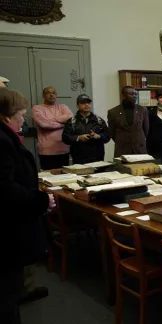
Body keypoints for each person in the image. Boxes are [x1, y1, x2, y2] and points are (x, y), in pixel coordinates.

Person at [0, 88, 55, 324]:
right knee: (5, 297)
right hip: (8, 231)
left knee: (9, 292)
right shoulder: (2, 142)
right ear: (6, 116)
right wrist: (41, 200)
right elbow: (5, 189)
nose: (24, 119)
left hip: (11, 226)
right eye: (21, 115)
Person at [32, 86, 73, 170]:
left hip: (63, 149)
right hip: (47, 152)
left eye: (53, 93)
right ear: (43, 96)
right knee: (49, 179)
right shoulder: (37, 108)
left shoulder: (62, 107)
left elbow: (70, 117)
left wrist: (49, 120)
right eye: (48, 93)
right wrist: (62, 124)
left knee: (65, 177)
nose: (51, 95)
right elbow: (44, 124)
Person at [62, 94, 110, 164]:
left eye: (88, 103)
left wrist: (98, 136)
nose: (86, 105)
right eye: (83, 103)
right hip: (79, 158)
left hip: (97, 158)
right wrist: (78, 137)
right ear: (77, 106)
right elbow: (65, 138)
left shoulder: (99, 120)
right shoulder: (72, 121)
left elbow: (107, 136)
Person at [107, 86, 149, 157]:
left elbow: (146, 130)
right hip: (122, 149)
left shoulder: (142, 110)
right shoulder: (113, 112)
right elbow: (112, 132)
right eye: (131, 94)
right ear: (123, 96)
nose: (134, 96)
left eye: (136, 94)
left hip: (139, 149)